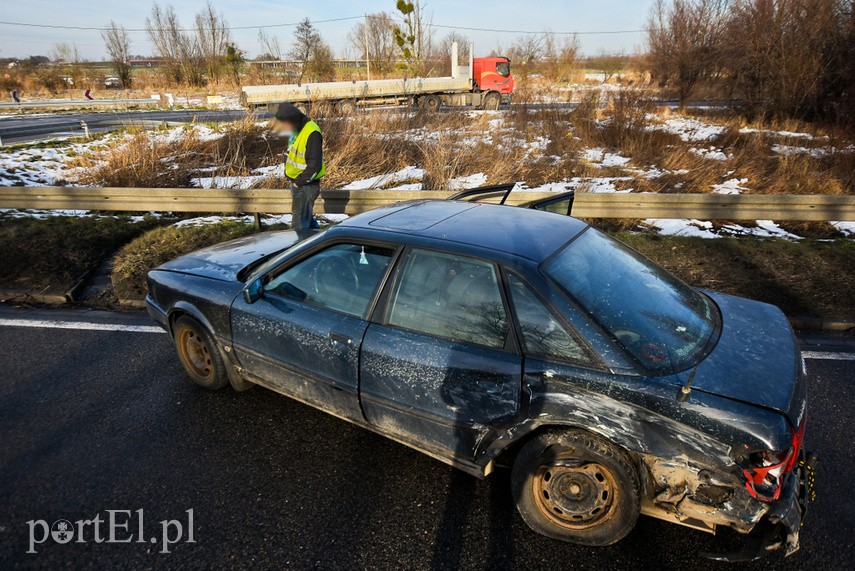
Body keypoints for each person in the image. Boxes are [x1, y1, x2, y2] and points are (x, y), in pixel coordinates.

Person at [273, 102, 326, 238]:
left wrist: (299, 182)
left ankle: (302, 255)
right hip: (298, 183)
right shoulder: (297, 129)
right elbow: (291, 152)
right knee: (307, 221)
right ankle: (320, 244)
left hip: (305, 186)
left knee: (299, 227)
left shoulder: (311, 132)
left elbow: (315, 165)